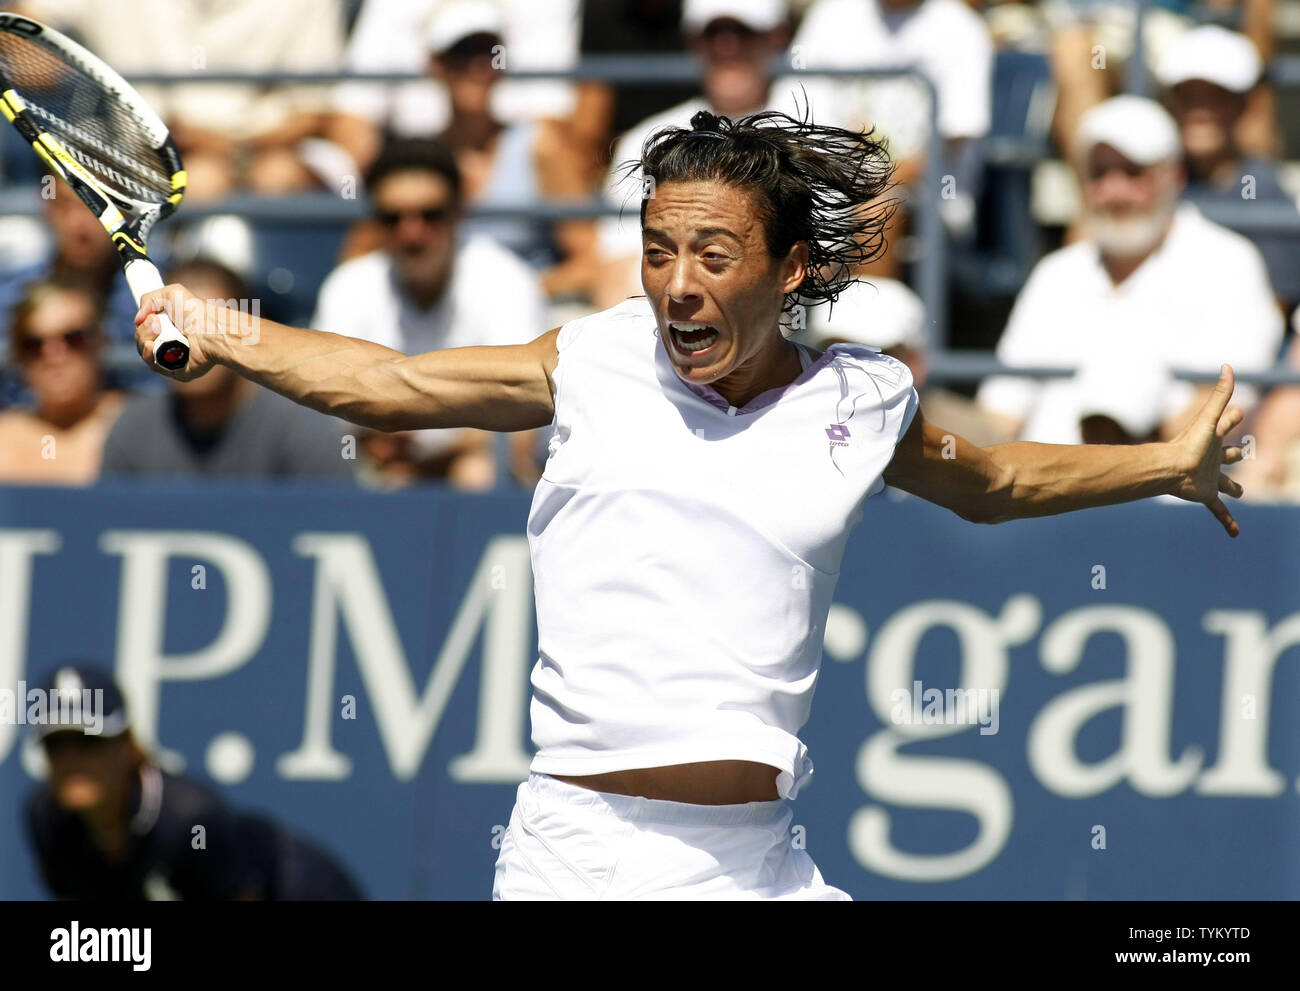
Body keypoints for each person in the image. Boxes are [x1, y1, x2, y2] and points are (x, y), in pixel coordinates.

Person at [133, 108, 1249, 900]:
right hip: (586, 858)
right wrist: (221, 327)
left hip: (762, 861)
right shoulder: (593, 359)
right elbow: (388, 382)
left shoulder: (864, 400)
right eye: (658, 251)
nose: (677, 282)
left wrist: (1169, 463)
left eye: (713, 253)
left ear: (793, 269)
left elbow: (1000, 482)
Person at [976, 96, 1283, 447]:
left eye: (1133, 172)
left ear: (1175, 176)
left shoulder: (1229, 264)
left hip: (1164, 496)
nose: (1113, 191)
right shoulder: (1056, 273)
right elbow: (999, 415)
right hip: (1042, 495)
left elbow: (1225, 409)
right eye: (1099, 173)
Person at [312, 138, 547, 490]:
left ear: (457, 213)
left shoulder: (505, 279)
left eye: (430, 215)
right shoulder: (348, 285)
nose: (412, 232)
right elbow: (318, 411)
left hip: (471, 472)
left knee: (477, 472)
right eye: (393, 218)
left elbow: (523, 418)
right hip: (370, 473)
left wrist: (417, 448)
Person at [24, 663, 363, 900]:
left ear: (130, 746)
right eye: (56, 746)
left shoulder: (190, 821)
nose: (71, 761)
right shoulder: (46, 822)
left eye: (89, 742)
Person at [593, 0, 796, 308]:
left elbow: (823, 255)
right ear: (692, 43)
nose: (727, 46)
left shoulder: (814, 126)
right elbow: (616, 265)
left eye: (743, 32)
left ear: (777, 37)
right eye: (712, 33)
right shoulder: (643, 139)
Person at [100, 260, 355, 482]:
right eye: (172, 324)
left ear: (244, 329)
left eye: (207, 325)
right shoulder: (131, 430)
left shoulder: (303, 428)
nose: (189, 340)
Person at [1156, 24, 1300, 308]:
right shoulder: (1149, 179)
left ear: (1244, 106)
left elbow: (1273, 306)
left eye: (1215, 98)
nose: (1200, 112)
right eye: (1188, 97)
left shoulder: (1263, 189)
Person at [0, 279, 123, 485]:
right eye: (33, 344)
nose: (54, 356)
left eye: (73, 339)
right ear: (19, 356)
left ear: (100, 342)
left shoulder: (140, 426)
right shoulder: (4, 439)